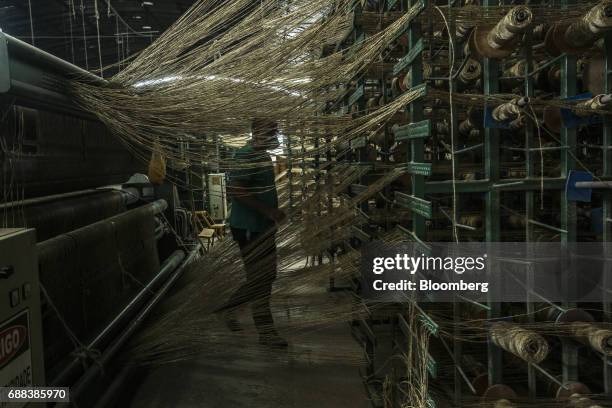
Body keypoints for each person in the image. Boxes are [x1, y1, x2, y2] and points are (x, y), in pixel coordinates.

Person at [220, 118, 287, 348]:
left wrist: (272, 214)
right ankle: (266, 332)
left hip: (262, 227)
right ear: (257, 131)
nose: (275, 134)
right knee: (261, 279)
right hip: (250, 228)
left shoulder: (262, 155)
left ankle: (228, 309)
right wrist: (268, 211)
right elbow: (236, 189)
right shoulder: (246, 155)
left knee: (265, 277)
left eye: (276, 130)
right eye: (272, 130)